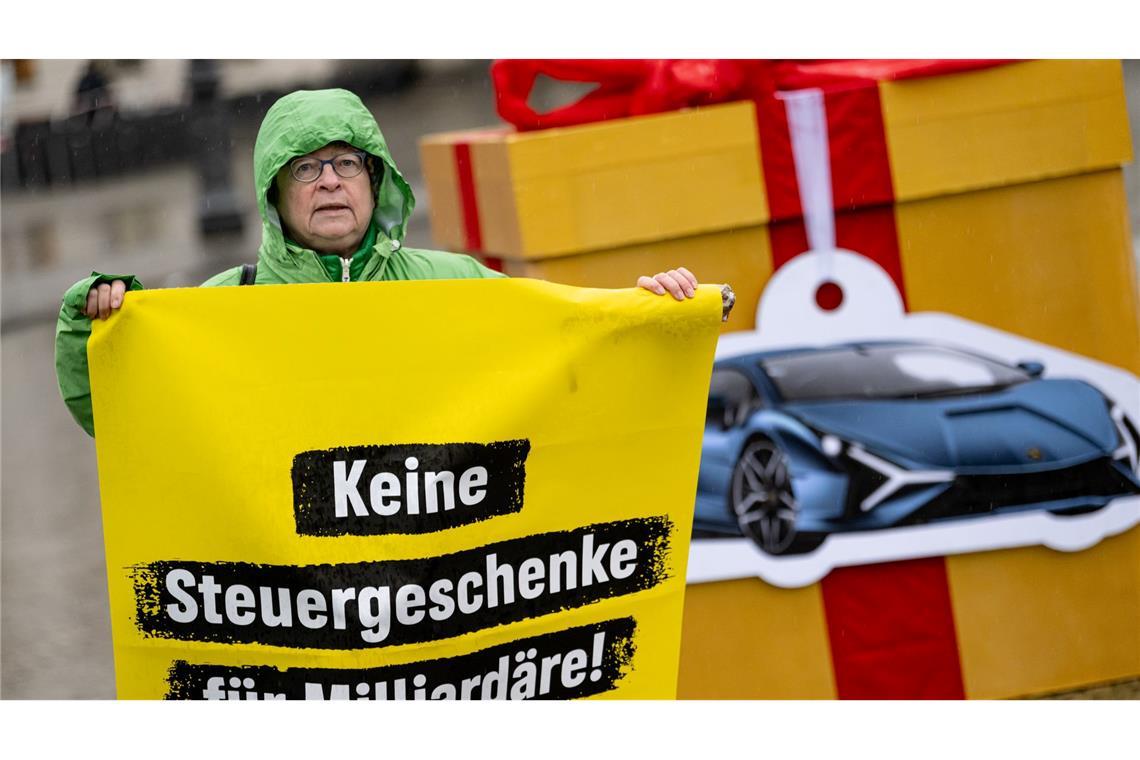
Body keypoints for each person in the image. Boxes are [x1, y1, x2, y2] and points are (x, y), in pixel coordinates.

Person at [55, 88, 701, 437]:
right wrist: (98, 326)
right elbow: (125, 419)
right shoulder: (224, 306)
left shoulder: (449, 283)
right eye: (306, 167)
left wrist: (649, 316)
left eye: (347, 163)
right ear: (275, 195)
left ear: (375, 180)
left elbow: (567, 342)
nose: (330, 181)